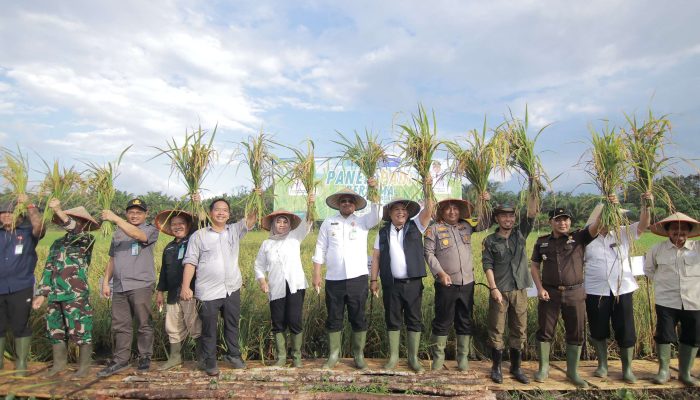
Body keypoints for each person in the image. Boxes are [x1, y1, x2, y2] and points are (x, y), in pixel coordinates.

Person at [181, 194, 258, 376]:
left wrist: (257, 197)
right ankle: (209, 360)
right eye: (217, 210)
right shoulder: (199, 236)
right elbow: (190, 262)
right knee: (209, 328)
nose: (221, 213)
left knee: (232, 324)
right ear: (210, 213)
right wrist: (186, 286)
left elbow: (252, 219)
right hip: (208, 291)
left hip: (232, 288)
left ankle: (233, 355)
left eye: (225, 210)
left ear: (229, 215)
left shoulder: (234, 230)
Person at [530, 203, 603, 388]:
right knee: (545, 331)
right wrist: (539, 288)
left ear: (570, 221)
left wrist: (608, 206)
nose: (563, 223)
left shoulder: (579, 237)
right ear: (551, 222)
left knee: (576, 332)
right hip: (550, 293)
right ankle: (543, 368)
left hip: (575, 293)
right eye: (558, 220)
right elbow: (534, 266)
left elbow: (597, 226)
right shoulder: (542, 242)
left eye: (566, 219)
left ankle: (572, 372)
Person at [584, 193, 652, 384]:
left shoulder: (623, 232)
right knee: (598, 329)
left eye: (615, 216)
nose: (614, 219)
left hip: (622, 290)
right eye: (610, 215)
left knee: (626, 330)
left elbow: (643, 225)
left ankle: (627, 369)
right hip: (596, 291)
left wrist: (646, 204)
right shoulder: (586, 238)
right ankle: (602, 365)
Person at [312, 180, 380, 370]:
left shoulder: (363, 221)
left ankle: (358, 355)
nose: (347, 203)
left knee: (358, 317)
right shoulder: (328, 222)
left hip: (358, 278)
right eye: (343, 201)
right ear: (338, 204)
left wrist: (373, 190)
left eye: (350, 201)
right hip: (334, 279)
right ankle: (334, 355)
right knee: (334, 317)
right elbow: (320, 248)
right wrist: (316, 273)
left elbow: (377, 213)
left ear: (355, 204)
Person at [32, 199, 99, 378]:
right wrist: (42, 293)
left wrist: (59, 210)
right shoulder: (57, 243)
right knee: (55, 330)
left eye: (73, 219)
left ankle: (84, 367)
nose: (68, 221)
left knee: (81, 330)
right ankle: (59, 365)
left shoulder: (86, 239)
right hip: (55, 294)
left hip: (75, 294)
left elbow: (74, 229)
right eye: (68, 218)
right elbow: (48, 268)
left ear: (84, 223)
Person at [424, 193, 489, 372]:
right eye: (448, 208)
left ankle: (462, 360)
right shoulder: (434, 229)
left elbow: (485, 223)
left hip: (467, 283)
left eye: (455, 208)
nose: (452, 212)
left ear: (460, 212)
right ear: (442, 212)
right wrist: (441, 273)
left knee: (465, 321)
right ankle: (438, 360)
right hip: (446, 284)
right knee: (443, 321)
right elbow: (429, 254)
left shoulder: (466, 227)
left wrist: (483, 202)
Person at [97, 198, 160, 377]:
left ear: (145, 214)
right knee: (120, 324)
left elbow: (138, 236)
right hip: (119, 285)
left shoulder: (150, 229)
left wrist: (115, 218)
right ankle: (120, 360)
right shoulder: (117, 233)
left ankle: (145, 357)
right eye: (131, 212)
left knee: (143, 323)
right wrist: (105, 282)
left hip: (141, 284)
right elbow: (112, 259)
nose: (134, 215)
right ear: (127, 213)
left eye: (138, 212)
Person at [370, 195, 432, 372]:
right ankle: (393, 357)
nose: (401, 212)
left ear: (408, 213)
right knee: (392, 319)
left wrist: (427, 187)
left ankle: (413, 359)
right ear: (389, 213)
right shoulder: (382, 232)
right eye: (396, 209)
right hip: (391, 284)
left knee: (414, 319)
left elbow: (429, 210)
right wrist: (374, 280)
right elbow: (376, 257)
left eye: (404, 210)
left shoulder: (416, 226)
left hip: (413, 283)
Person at [482, 193, 538, 384]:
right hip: (500, 291)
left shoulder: (520, 233)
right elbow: (487, 265)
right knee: (497, 328)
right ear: (497, 218)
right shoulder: (490, 241)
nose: (508, 219)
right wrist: (493, 289)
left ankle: (516, 367)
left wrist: (533, 186)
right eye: (504, 216)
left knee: (519, 329)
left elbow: (531, 213)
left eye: (511, 216)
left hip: (520, 290)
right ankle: (496, 368)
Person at [644, 212, 700, 387]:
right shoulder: (657, 249)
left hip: (694, 300)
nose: (679, 232)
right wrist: (664, 284)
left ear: (689, 232)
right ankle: (664, 371)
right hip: (666, 301)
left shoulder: (697, 248)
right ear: (668, 231)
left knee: (693, 337)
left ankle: (685, 373)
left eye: (683, 229)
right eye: (674, 228)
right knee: (664, 336)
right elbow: (649, 270)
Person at [254, 204, 313, 367]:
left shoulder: (295, 237)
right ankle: (281, 357)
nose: (282, 224)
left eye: (285, 221)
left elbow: (308, 221)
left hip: (296, 285)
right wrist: (262, 281)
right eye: (278, 222)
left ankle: (296, 357)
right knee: (278, 321)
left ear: (289, 224)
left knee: (294, 320)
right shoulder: (266, 244)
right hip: (276, 287)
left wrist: (310, 203)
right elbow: (258, 265)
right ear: (273, 224)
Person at [0, 194, 45, 376]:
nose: (6, 216)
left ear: (19, 214)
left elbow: (40, 228)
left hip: (21, 286)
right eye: (2, 213)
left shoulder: (27, 231)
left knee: (20, 325)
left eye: (10, 212)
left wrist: (29, 205)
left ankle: (21, 365)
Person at [154, 209, 201, 370]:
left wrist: (197, 203)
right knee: (172, 327)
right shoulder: (169, 247)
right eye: (174, 224)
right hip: (173, 294)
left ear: (189, 225)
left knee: (195, 325)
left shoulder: (195, 240)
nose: (177, 227)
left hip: (190, 293)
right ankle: (175, 358)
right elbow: (164, 273)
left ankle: (203, 358)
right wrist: (160, 291)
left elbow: (202, 223)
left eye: (181, 223)